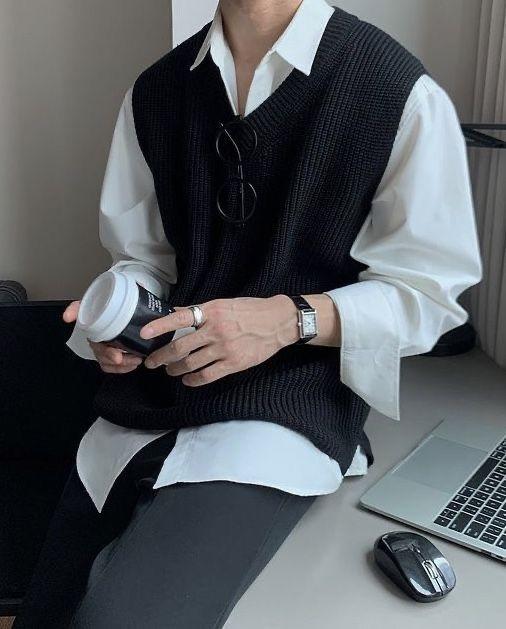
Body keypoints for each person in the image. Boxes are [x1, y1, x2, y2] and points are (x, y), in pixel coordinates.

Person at [13, 0, 482, 627]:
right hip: (153, 396)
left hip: (284, 412)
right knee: (49, 610)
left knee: (122, 619)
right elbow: (145, 259)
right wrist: (119, 312)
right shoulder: (155, 92)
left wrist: (288, 319)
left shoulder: (396, 91)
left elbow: (428, 296)